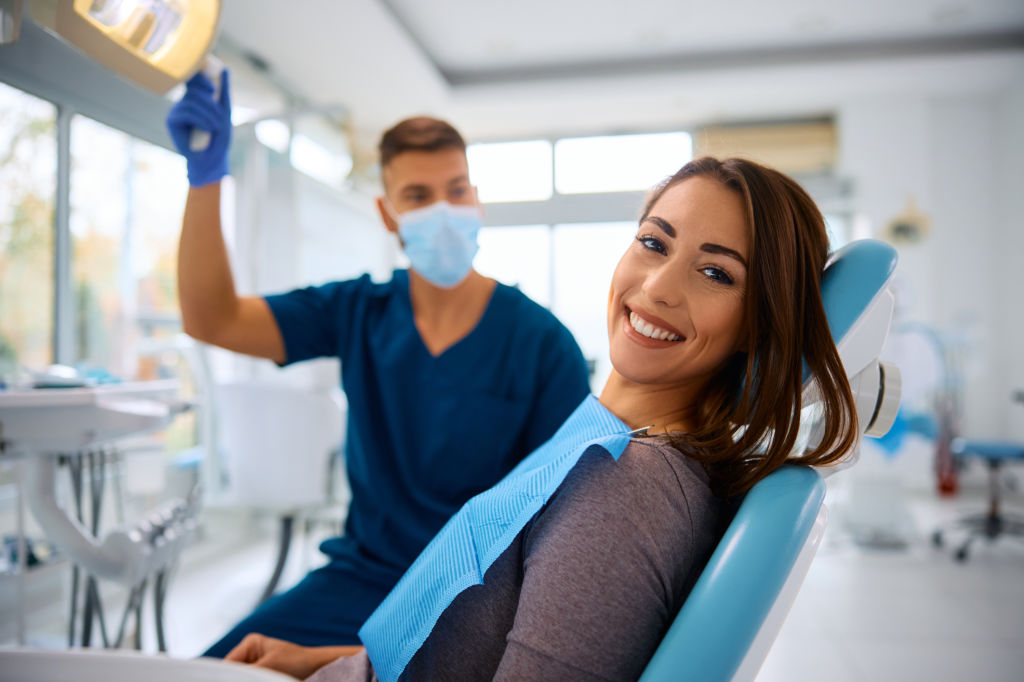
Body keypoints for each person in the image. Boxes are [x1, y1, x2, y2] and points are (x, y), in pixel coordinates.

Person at [221, 156, 861, 681]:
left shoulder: (626, 487)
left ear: (760, 324)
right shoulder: (607, 438)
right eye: (653, 242)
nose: (660, 288)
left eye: (716, 273)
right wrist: (336, 665)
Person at [165, 71, 591, 655]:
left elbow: (564, 531)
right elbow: (213, 319)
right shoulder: (357, 311)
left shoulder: (543, 343)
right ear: (387, 214)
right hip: (359, 583)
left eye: (457, 190)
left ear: (476, 200)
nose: (443, 209)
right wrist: (207, 178)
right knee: (216, 669)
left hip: (474, 596)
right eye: (418, 196)